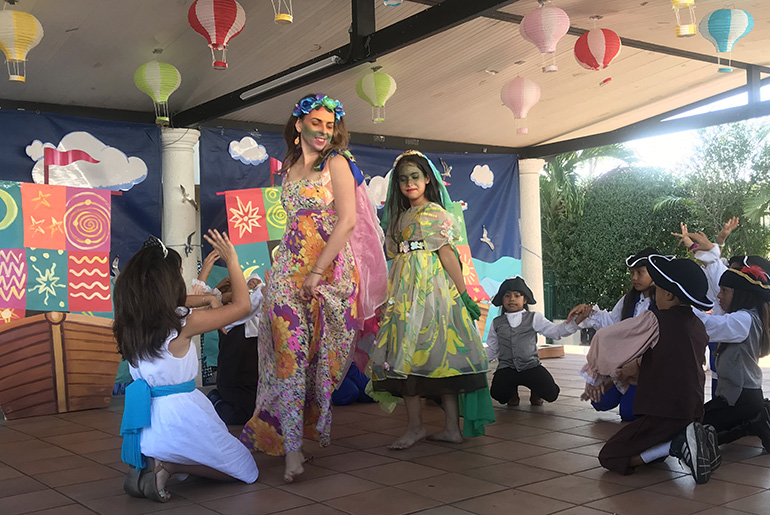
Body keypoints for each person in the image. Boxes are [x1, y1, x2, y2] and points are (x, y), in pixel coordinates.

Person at [239, 94, 387, 483]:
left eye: (329, 124)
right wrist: (278, 270)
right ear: (299, 124)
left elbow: (349, 222)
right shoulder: (287, 167)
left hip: (330, 274)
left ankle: (300, 429)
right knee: (287, 360)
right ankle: (291, 450)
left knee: (322, 361)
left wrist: (318, 272)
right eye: (316, 123)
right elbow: (292, 226)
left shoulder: (336, 163)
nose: (324, 130)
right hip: (287, 272)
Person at [115, 231, 258, 503]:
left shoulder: (129, 322)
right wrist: (232, 261)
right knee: (245, 468)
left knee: (213, 454)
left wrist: (205, 287)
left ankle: (155, 463)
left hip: (146, 425)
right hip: (180, 417)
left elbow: (179, 302)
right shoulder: (182, 323)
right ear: (168, 285)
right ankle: (167, 465)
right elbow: (242, 306)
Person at [370, 149, 493, 450]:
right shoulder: (399, 218)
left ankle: (452, 428)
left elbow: (448, 255)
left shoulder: (438, 214)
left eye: (415, 177)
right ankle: (415, 426)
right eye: (402, 179)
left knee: (441, 356)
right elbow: (390, 254)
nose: (409, 183)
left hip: (434, 293)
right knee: (406, 354)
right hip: (404, 292)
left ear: (427, 178)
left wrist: (463, 294)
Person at [580, 254, 719, 484]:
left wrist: (593, 372)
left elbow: (606, 338)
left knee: (610, 455)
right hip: (692, 410)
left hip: (665, 413)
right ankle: (688, 438)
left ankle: (678, 443)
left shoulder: (655, 320)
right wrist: (620, 376)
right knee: (649, 453)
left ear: (669, 294)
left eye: (658, 289)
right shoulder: (697, 325)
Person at [673, 225, 770, 451]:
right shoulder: (741, 317)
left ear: (740, 294)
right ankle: (755, 419)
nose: (718, 295)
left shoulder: (743, 320)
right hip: (734, 398)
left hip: (742, 399)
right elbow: (714, 317)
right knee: (696, 426)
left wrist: (679, 304)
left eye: (724, 291)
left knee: (698, 433)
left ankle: (754, 422)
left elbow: (708, 325)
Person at [569, 247, 659, 421]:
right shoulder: (630, 299)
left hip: (646, 367)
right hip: (624, 363)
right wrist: (590, 312)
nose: (634, 278)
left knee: (629, 413)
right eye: (632, 273)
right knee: (600, 402)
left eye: (640, 272)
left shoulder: (662, 302)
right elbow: (611, 322)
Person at [487, 276, 588, 407]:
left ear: (525, 300)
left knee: (551, 393)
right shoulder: (497, 322)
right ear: (502, 299)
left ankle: (536, 391)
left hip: (530, 366)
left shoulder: (534, 318)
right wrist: (477, 362)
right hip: (507, 367)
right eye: (507, 296)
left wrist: (574, 323)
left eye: (517, 295)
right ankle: (512, 392)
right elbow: (492, 349)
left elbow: (555, 331)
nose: (512, 299)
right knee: (498, 394)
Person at [207, 274, 264, 425]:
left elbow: (259, 303)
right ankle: (214, 398)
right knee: (238, 417)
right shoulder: (226, 319)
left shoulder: (256, 318)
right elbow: (251, 304)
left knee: (259, 414)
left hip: (253, 382)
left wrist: (256, 284)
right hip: (233, 383)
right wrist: (259, 288)